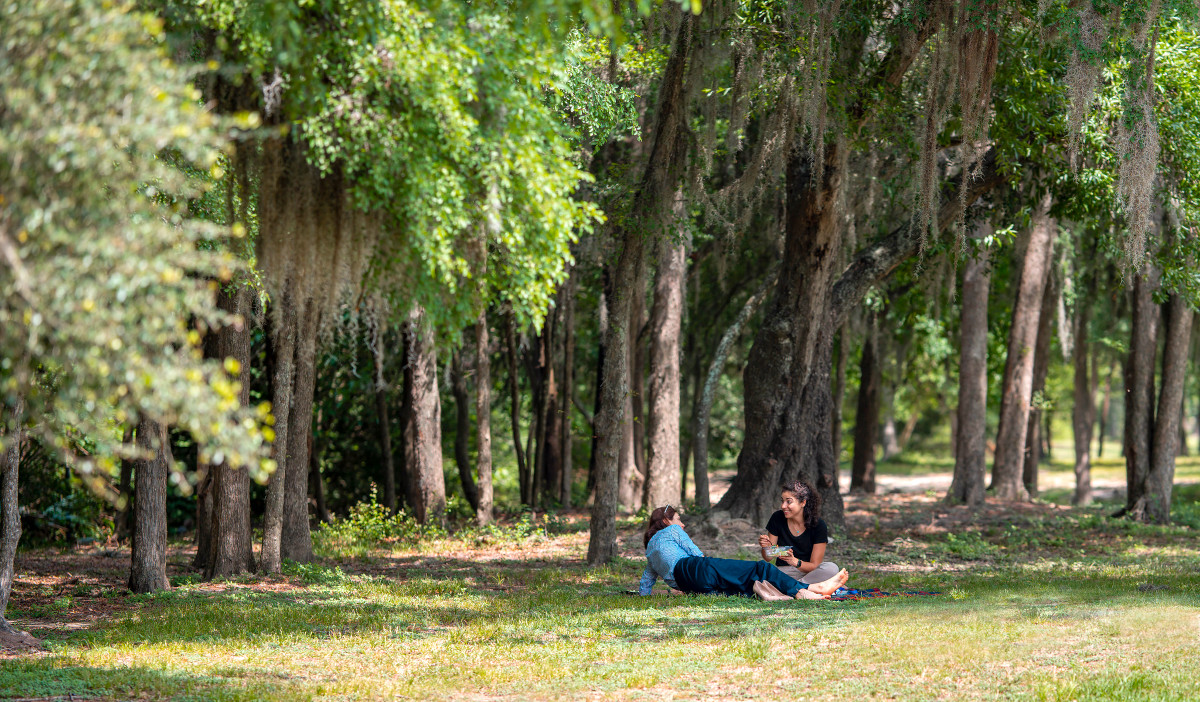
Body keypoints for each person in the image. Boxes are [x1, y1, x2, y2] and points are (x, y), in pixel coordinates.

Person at [639, 505, 848, 601]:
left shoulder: (650, 549)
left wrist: (646, 596)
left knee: (744, 585)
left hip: (689, 584)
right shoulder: (672, 531)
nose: (682, 524)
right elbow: (695, 553)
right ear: (667, 522)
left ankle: (791, 592)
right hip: (695, 568)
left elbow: (647, 581)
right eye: (678, 519)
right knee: (760, 568)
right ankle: (807, 589)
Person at [758, 480, 840, 584]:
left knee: (831, 568)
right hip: (785, 571)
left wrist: (795, 561)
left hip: (810, 572)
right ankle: (803, 587)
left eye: (788, 501)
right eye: (782, 501)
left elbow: (814, 565)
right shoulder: (777, 518)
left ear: (803, 502)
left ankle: (792, 587)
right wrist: (766, 547)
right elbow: (768, 557)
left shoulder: (819, 525)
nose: (783, 506)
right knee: (763, 573)